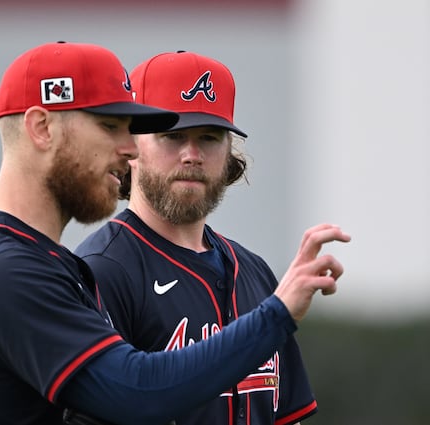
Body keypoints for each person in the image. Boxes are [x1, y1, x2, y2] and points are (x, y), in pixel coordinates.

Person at [0, 41, 351, 425]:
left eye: (209, 137)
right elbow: (137, 390)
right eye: (110, 127)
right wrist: (276, 315)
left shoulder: (36, 260)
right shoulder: (6, 271)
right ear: (42, 128)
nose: (129, 148)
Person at [75, 51, 338, 425]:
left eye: (210, 137)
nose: (192, 155)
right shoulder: (101, 271)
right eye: (173, 136)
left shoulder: (255, 272)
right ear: (130, 148)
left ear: (230, 153)